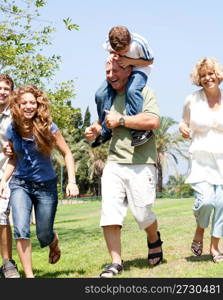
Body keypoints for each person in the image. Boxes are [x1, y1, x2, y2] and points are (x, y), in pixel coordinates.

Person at [85, 58, 163, 278]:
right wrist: (95, 130)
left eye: (116, 70)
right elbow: (104, 124)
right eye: (108, 70)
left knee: (143, 213)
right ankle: (115, 262)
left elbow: (152, 121)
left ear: (129, 70)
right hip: (115, 162)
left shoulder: (144, 92)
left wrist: (121, 120)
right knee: (110, 212)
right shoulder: (107, 97)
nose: (110, 75)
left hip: (141, 161)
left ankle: (153, 237)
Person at [0, 85, 79, 277]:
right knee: (20, 228)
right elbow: (13, 157)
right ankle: (30, 276)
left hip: (46, 186)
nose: (28, 106)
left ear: (38, 105)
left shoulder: (49, 127)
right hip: (20, 184)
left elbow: (67, 153)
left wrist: (72, 181)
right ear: (17, 105)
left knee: (43, 233)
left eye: (32, 102)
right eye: (24, 103)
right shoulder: (13, 129)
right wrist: (3, 181)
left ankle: (52, 240)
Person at [179, 57, 223, 263]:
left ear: (218, 75)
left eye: (210, 74)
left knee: (222, 204)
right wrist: (183, 129)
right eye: (203, 75)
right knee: (206, 201)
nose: (207, 78)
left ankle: (215, 248)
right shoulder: (192, 100)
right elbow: (183, 122)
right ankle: (200, 230)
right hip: (200, 160)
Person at [93, 25, 154, 148]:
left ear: (129, 41)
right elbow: (112, 51)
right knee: (100, 94)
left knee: (132, 90)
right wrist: (112, 54)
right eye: (119, 51)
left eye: (125, 50)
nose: (123, 53)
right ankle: (105, 130)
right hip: (122, 66)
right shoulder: (109, 43)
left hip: (140, 67)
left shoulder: (139, 43)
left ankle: (138, 130)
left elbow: (150, 61)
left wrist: (129, 61)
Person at [0, 74, 20, 278]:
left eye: (6, 88)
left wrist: (12, 149)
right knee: (1, 216)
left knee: (5, 217)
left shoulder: (16, 115)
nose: (2, 92)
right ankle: (7, 263)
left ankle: (8, 263)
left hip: (13, 171)